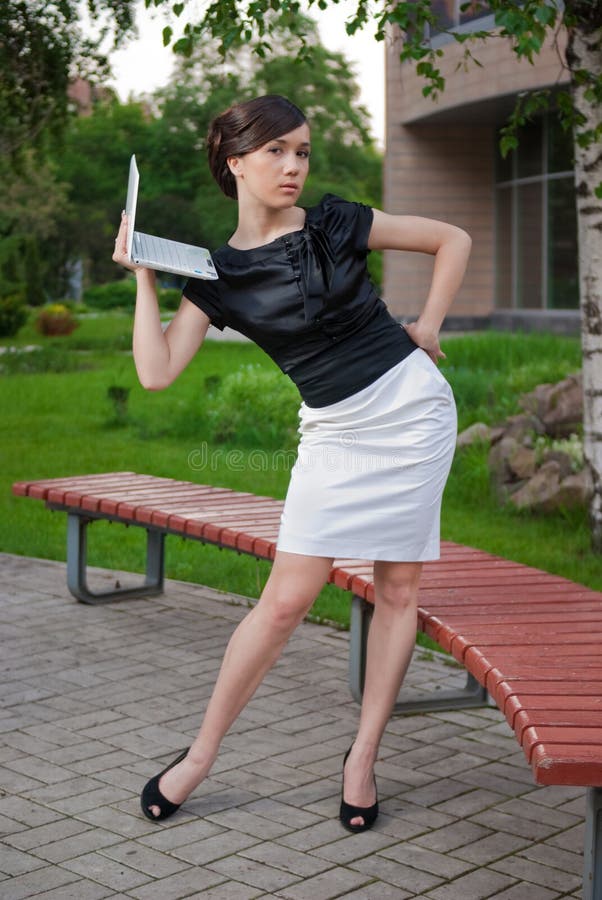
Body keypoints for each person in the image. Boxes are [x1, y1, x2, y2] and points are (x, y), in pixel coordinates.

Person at [112, 94, 471, 833]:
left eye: (301, 151)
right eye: (275, 152)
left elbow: (452, 237)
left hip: (411, 415)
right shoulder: (216, 275)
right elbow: (156, 372)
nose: (293, 166)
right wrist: (145, 276)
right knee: (282, 603)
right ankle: (200, 757)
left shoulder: (339, 222)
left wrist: (429, 322)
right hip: (334, 435)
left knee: (397, 590)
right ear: (234, 162)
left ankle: (363, 759)